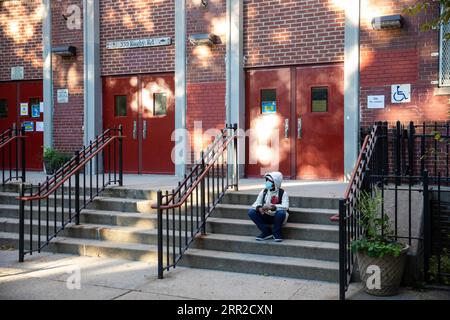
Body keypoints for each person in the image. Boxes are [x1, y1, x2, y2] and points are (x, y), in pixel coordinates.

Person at [247, 172, 289, 242]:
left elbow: (285, 206)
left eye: (269, 181)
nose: (267, 183)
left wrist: (272, 207)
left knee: (281, 213)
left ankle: (276, 233)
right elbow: (256, 203)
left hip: (277, 217)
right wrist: (259, 208)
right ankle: (266, 232)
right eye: (267, 181)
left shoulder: (282, 193)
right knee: (251, 212)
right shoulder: (264, 191)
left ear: (276, 183)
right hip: (266, 215)